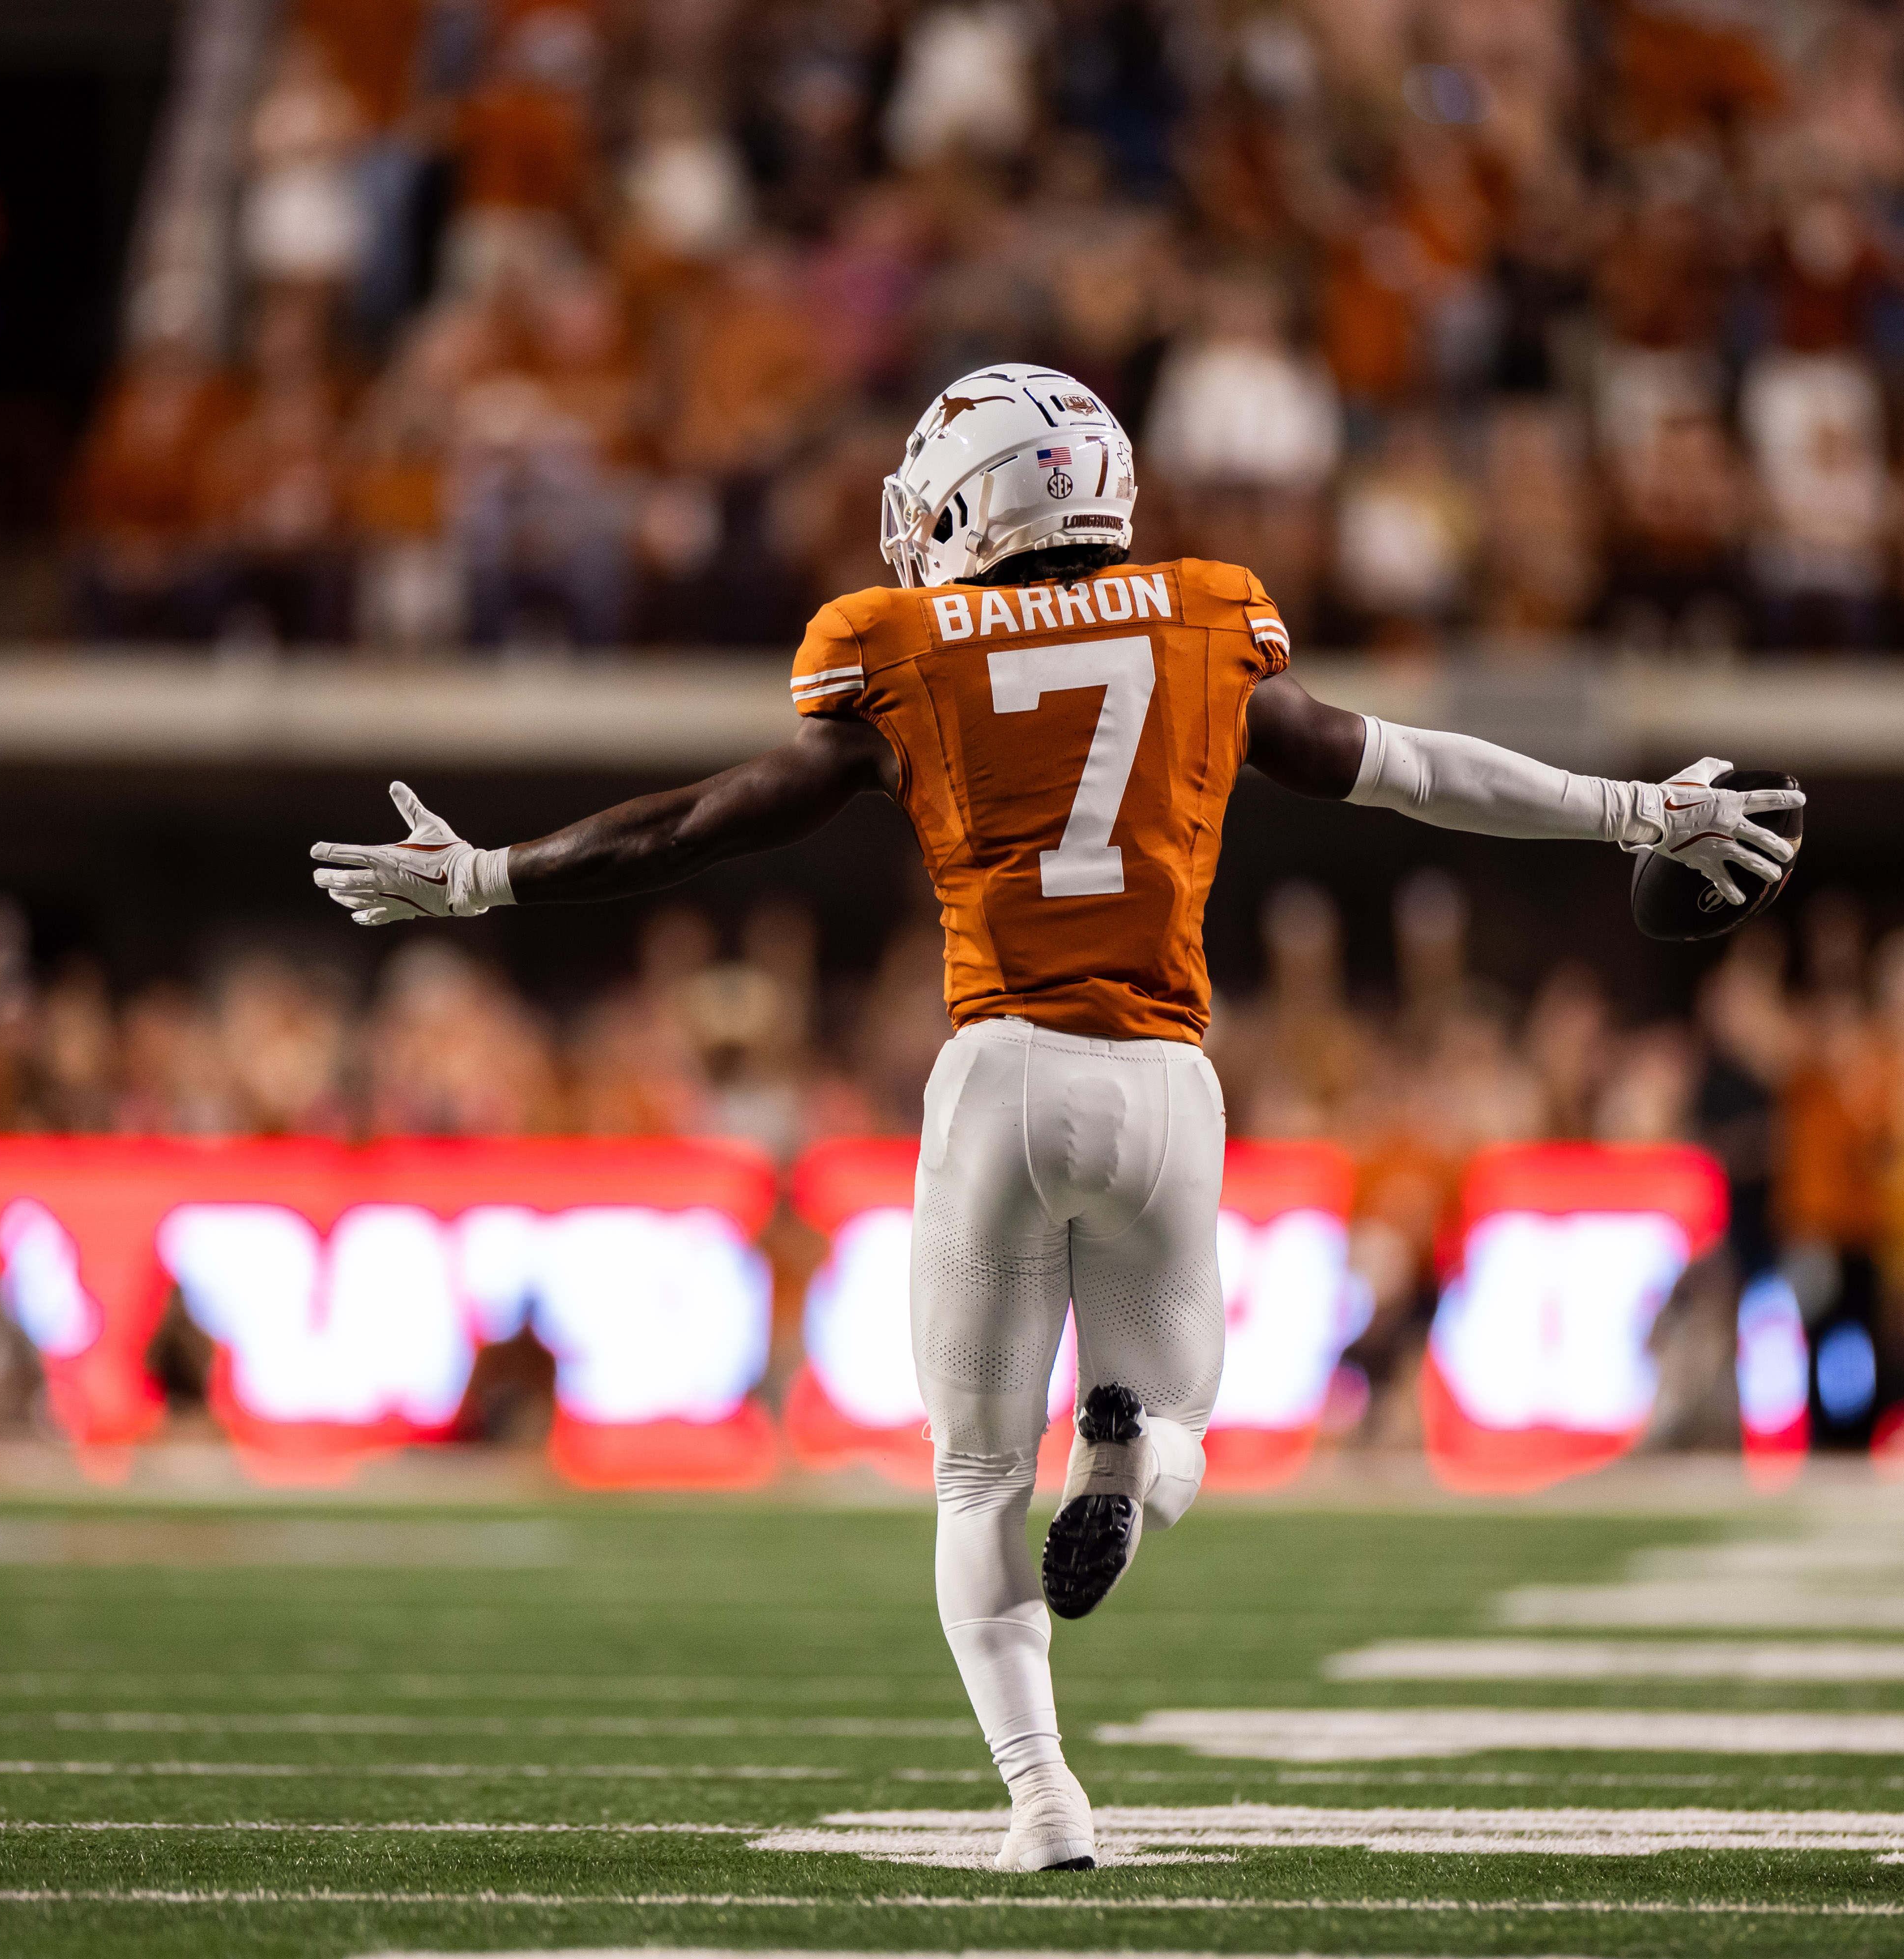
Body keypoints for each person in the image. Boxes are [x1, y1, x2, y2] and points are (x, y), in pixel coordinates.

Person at [306, 363, 1802, 1872]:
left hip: (1000, 1077)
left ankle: (1044, 1801)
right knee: (1185, 1429)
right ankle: (1133, 1456)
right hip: (1164, 1084)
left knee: (971, 1478)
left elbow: (710, 821)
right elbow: (1410, 773)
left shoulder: (899, 648)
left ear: (976, 499)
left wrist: (497, 873)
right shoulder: (1205, 618)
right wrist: (1631, 809)